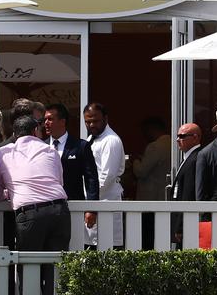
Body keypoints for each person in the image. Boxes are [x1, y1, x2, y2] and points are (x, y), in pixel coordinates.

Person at [0, 114, 71, 295]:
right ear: (36, 131)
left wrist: (11, 193)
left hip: (29, 215)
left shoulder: (2, 153)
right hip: (59, 211)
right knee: (54, 276)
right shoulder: (50, 151)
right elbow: (58, 182)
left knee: (28, 277)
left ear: (14, 134)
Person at [83, 102, 126, 247]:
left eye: (95, 121)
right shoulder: (91, 139)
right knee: (91, 246)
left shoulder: (111, 140)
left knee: (107, 246)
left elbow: (107, 177)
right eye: (87, 122)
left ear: (105, 119)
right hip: (93, 202)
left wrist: (90, 202)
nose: (91, 125)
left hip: (105, 200)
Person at [43, 103, 99, 212]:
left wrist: (91, 209)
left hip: (74, 208)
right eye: (45, 119)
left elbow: (91, 178)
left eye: (50, 119)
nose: (46, 123)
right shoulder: (40, 146)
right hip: (46, 209)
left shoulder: (81, 146)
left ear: (62, 121)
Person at [132, 117, 171, 201]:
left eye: (145, 131)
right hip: (167, 195)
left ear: (151, 129)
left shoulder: (154, 146)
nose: (144, 135)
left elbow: (141, 171)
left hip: (152, 197)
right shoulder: (174, 144)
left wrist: (135, 160)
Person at [171, 122, 202, 201]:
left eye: (182, 136)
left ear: (195, 138)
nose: (178, 140)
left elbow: (189, 191)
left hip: (186, 210)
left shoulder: (196, 158)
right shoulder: (189, 157)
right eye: (178, 136)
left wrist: (184, 212)